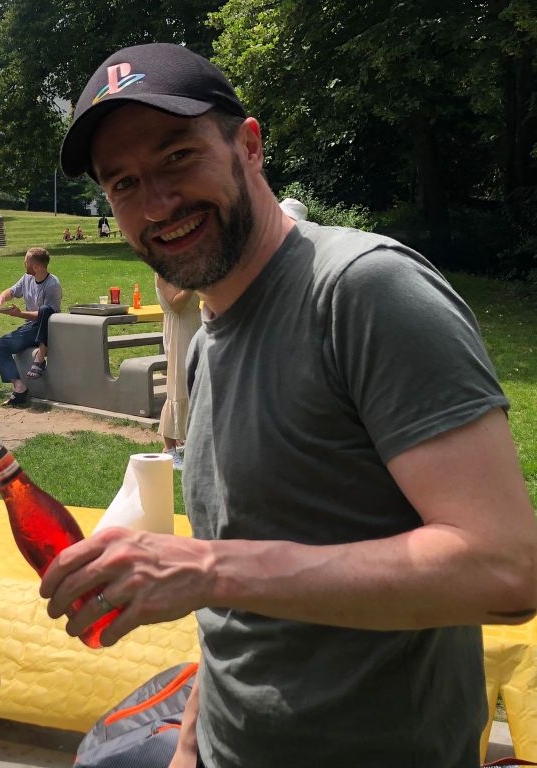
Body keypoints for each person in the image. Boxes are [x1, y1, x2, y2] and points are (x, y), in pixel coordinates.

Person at [43, 43, 537, 768]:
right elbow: (235, 615)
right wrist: (191, 745)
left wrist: (208, 568)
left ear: (249, 146)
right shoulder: (207, 344)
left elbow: (506, 571)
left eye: (178, 156)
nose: (157, 203)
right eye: (123, 183)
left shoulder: (363, 292)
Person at [0, 246, 62, 407]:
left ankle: (40, 357)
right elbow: (12, 291)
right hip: (30, 328)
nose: (24, 264)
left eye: (26, 262)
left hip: (47, 329)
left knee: (45, 309)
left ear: (36, 267)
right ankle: (19, 388)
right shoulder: (27, 278)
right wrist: (3, 296)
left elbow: (48, 315)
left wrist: (19, 314)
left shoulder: (52, 284)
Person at [154, 274, 199, 470]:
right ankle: (169, 449)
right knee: (178, 384)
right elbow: (176, 304)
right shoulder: (163, 272)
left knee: (194, 386)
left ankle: (189, 439)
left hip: (195, 324)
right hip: (178, 330)